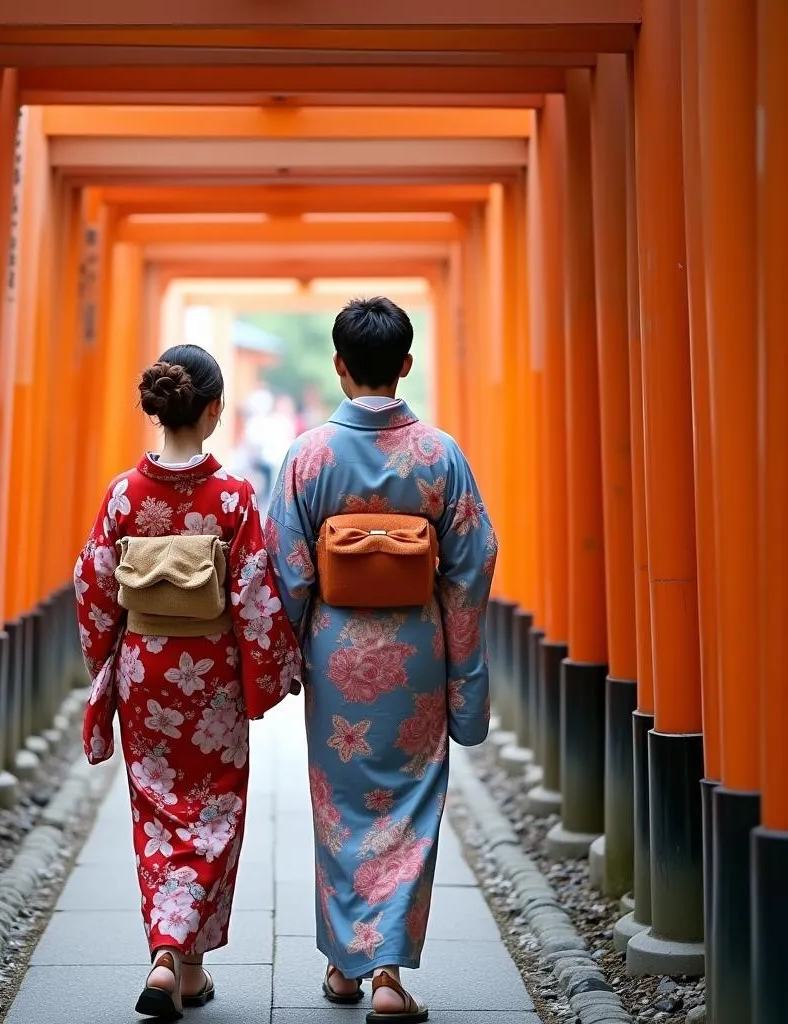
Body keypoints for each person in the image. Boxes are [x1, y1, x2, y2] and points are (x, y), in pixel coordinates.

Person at [263, 298, 497, 1024]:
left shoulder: (309, 454)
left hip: (338, 653)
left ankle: (346, 964)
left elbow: (287, 568)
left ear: (339, 366)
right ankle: (384, 970)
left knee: (341, 809)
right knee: (408, 804)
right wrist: (463, 672)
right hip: (416, 653)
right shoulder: (438, 454)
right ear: (405, 365)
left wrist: (289, 656)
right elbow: (471, 562)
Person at [74, 344, 302, 1020]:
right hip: (213, 680)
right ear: (213, 411)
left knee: (157, 811)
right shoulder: (232, 497)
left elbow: (93, 588)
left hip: (148, 670)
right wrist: (273, 676)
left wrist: (106, 669)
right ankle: (177, 955)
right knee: (213, 814)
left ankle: (176, 960)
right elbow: (257, 596)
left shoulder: (123, 495)